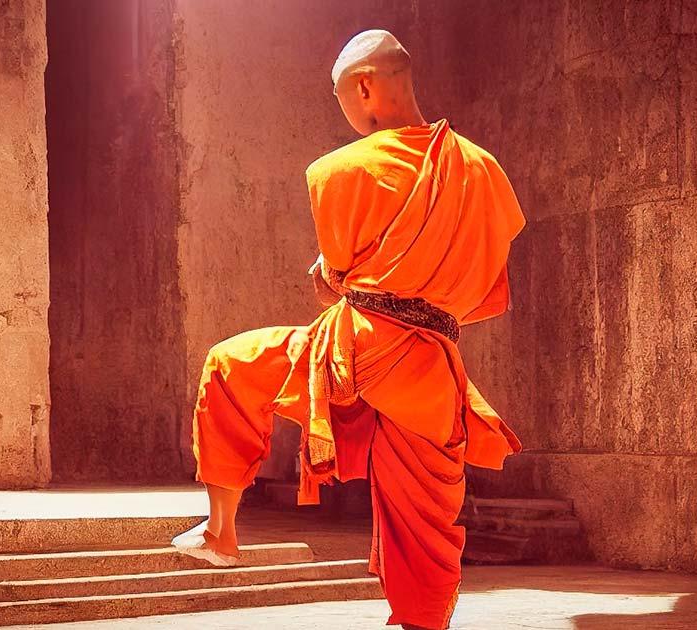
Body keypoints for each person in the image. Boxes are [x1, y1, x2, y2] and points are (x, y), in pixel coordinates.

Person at [172, 29, 525, 630]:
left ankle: (222, 530)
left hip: (353, 356)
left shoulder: (342, 169)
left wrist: (341, 285)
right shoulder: (483, 170)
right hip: (432, 369)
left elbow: (338, 274)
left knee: (231, 367)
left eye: (340, 96)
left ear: (363, 86)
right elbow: (484, 290)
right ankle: (422, 622)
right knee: (430, 519)